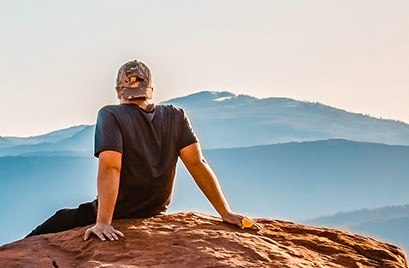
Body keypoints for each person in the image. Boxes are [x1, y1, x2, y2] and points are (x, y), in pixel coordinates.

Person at [28, 60, 252, 240]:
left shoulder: (111, 115)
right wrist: (225, 213)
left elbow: (111, 166)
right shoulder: (176, 115)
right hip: (155, 210)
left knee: (56, 223)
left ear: (119, 90)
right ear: (150, 90)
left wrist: (103, 222)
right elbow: (196, 164)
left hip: (121, 211)